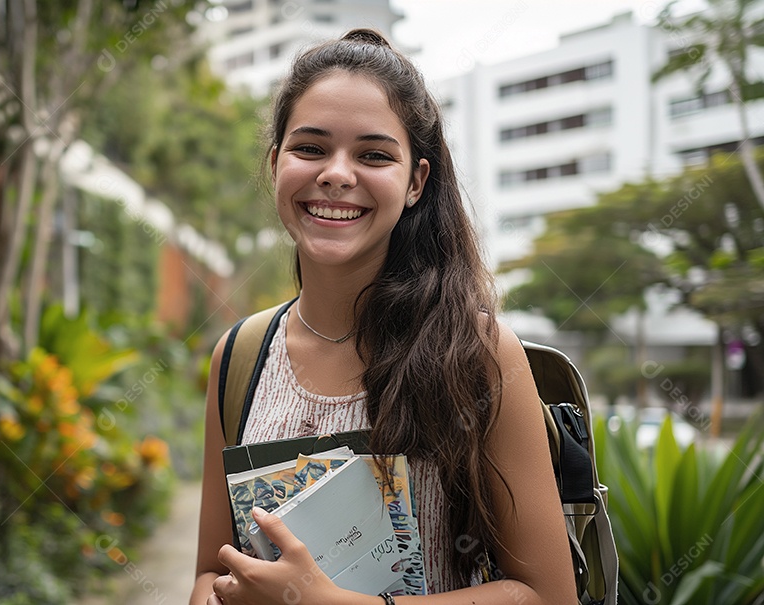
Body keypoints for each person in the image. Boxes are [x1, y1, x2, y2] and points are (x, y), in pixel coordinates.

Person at [189, 28, 576, 605]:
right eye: (310, 148)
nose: (337, 175)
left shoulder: (477, 353)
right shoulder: (241, 355)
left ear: (415, 181)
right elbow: (206, 573)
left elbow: (547, 596)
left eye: (373, 155)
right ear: (276, 165)